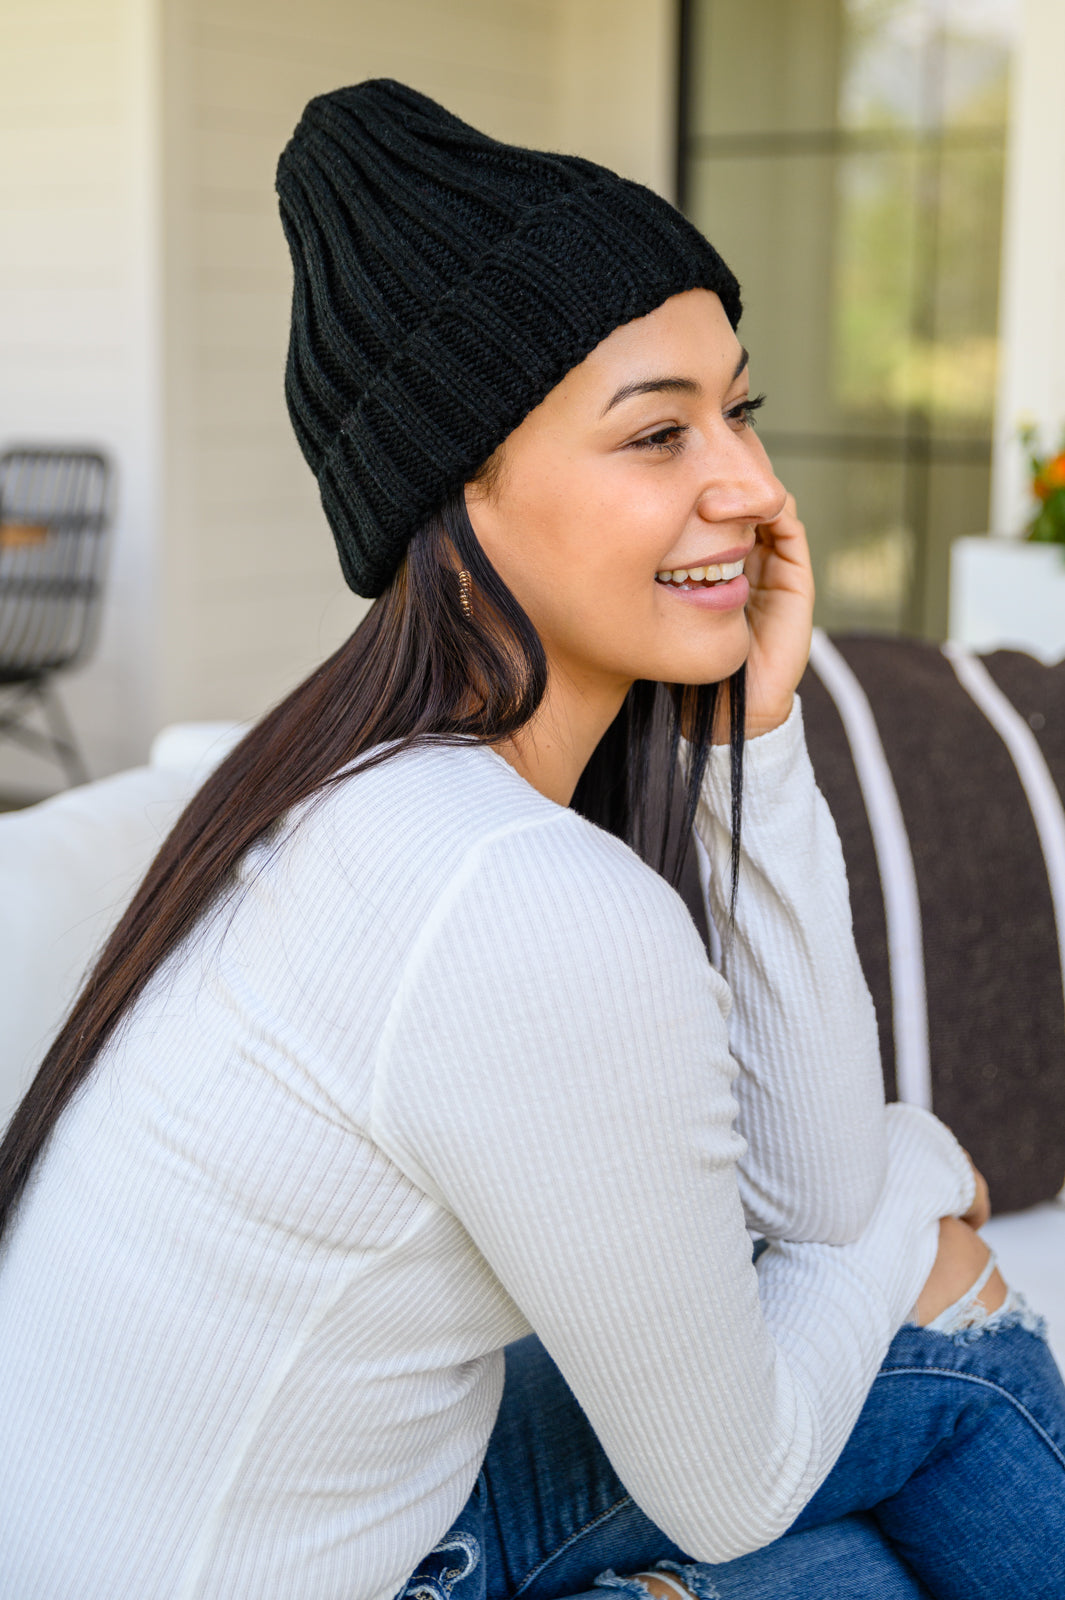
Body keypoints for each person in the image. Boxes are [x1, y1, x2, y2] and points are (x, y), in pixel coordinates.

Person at [0, 79, 1062, 1600]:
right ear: (461, 491)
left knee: (872, 1526)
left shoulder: (367, 791)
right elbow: (735, 1471)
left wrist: (757, 745)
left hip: (355, 1529)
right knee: (950, 1346)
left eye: (738, 409)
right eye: (657, 434)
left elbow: (808, 1202)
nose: (753, 491)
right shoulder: (507, 892)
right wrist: (917, 1188)